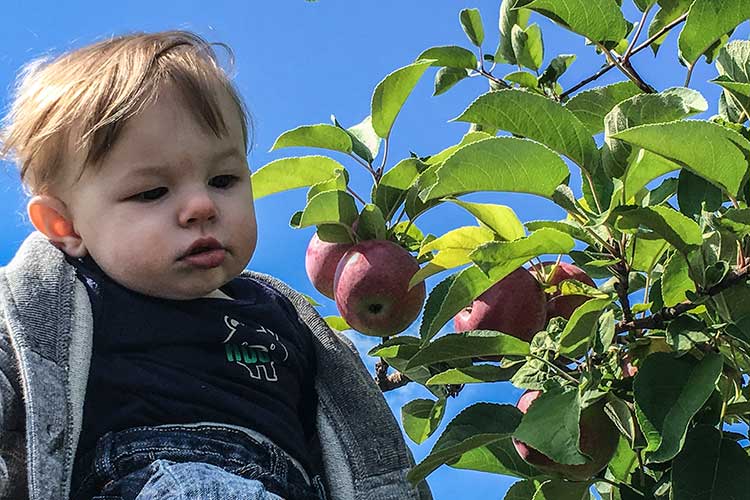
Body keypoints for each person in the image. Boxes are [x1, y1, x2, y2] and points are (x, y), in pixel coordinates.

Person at [0, 30, 432, 500]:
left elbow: (371, 453)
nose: (201, 205)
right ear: (65, 225)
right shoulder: (57, 303)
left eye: (223, 178)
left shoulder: (288, 320)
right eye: (152, 192)